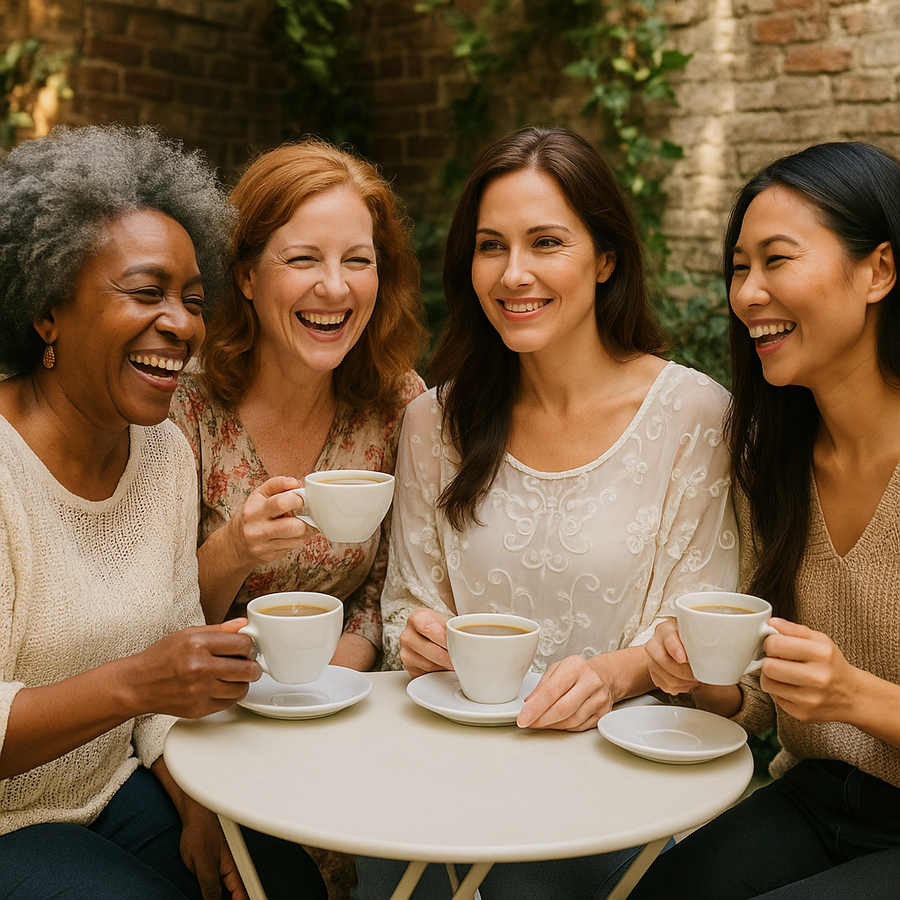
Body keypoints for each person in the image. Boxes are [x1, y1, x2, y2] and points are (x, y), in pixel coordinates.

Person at [357, 125, 739, 900]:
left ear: (605, 260)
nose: (514, 273)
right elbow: (406, 608)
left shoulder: (694, 413)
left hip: (622, 779)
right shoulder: (434, 420)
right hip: (453, 769)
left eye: (546, 242)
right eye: (491, 245)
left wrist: (614, 673)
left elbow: (698, 626)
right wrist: (420, 641)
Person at [0, 124, 326, 900]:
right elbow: (149, 678)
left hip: (111, 789)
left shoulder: (165, 457)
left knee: (279, 881)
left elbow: (169, 670)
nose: (182, 325)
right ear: (49, 311)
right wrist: (139, 683)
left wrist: (196, 800)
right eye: (146, 293)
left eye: (191, 299)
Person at [631, 141, 900, 900]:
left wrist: (853, 697)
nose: (747, 294)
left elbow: (838, 695)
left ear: (879, 269)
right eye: (739, 268)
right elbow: (752, 700)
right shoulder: (768, 455)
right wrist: (698, 682)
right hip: (814, 797)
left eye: (777, 260)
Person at [170, 139, 426, 673]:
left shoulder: (397, 401)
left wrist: (330, 683)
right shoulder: (183, 408)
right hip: (213, 703)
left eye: (358, 260)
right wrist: (236, 547)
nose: (335, 287)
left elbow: (385, 584)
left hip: (343, 695)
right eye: (304, 258)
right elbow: (158, 620)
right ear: (246, 277)